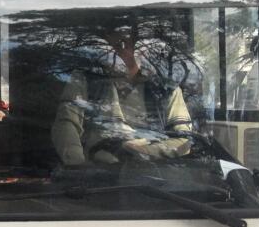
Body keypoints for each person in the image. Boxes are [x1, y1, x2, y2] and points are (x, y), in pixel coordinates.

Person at [52, 27, 193, 166]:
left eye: (122, 45)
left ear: (143, 50)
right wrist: (77, 166)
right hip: (97, 179)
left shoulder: (166, 90)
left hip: (154, 178)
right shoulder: (84, 81)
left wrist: (141, 152)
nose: (116, 52)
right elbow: (66, 124)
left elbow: (183, 141)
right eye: (107, 46)